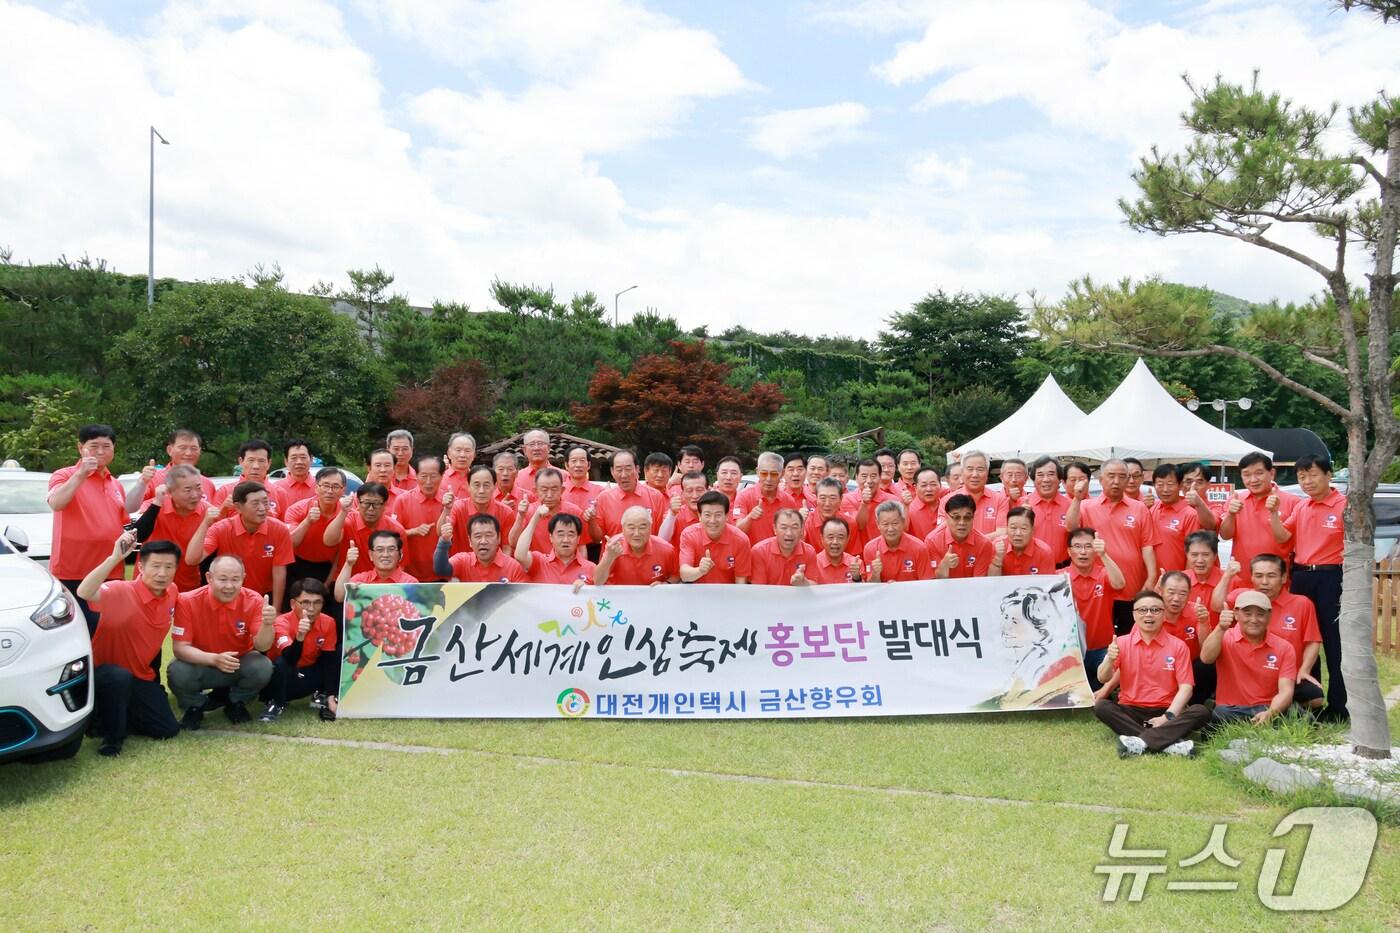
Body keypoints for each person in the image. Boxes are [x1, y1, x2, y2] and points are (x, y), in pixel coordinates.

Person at [79, 534, 183, 756]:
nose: (162, 573)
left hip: (140, 676)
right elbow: (84, 592)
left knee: (167, 729)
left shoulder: (172, 591)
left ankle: (105, 717)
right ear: (141, 567)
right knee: (118, 678)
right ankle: (112, 738)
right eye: (155, 566)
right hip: (104, 676)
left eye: (169, 567)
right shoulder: (120, 590)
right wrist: (114, 558)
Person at [1094, 590, 1210, 758]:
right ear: (1134, 615)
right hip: (1131, 709)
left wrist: (1167, 717)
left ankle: (1141, 742)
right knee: (1102, 707)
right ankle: (1170, 744)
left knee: (1201, 711)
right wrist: (1109, 660)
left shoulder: (1178, 646)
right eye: (1142, 610)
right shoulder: (1121, 643)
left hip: (1166, 708)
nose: (1149, 614)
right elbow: (1102, 678)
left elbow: (1186, 688)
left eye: (1155, 610)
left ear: (1164, 615)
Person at [168, 555, 277, 729]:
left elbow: (263, 646)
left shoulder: (254, 600)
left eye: (235, 579)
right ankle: (195, 706)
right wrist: (214, 659)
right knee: (178, 670)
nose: (229, 586)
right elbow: (180, 648)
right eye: (223, 579)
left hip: (238, 662)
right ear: (209, 578)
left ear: (243, 578)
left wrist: (267, 624)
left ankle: (236, 702)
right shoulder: (187, 601)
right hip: (200, 663)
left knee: (262, 666)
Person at [1278, 452, 1346, 720]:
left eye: (1313, 474)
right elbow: (1282, 535)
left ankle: (1340, 707)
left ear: (1329, 475)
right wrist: (1273, 513)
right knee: (1303, 639)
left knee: (1334, 643)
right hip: (1302, 576)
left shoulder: (1345, 505)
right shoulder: (1301, 507)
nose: (1307, 481)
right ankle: (1311, 702)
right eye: (1302, 477)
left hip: (1332, 577)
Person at [1216, 554, 1325, 711]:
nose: (1264, 582)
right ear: (1251, 577)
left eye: (1271, 576)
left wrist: (1304, 670)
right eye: (1259, 576)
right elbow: (1217, 605)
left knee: (1316, 698)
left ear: (1283, 577)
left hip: (1285, 674)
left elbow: (1313, 640)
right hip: (1248, 675)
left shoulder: (1302, 604)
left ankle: (1281, 705)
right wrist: (1227, 576)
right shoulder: (1242, 597)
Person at [47, 424, 129, 632]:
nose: (100, 452)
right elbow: (56, 503)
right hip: (73, 570)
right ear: (80, 447)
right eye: (93, 446)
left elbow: (120, 520)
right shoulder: (64, 475)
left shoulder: (115, 483)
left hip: (110, 569)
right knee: (78, 628)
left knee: (110, 626)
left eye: (106, 446)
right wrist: (81, 474)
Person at [1067, 459, 1158, 636]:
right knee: (1099, 640)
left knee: (1127, 641)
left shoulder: (1139, 509)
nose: (1116, 481)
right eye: (1111, 476)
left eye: (1122, 477)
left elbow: (1147, 547)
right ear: (1101, 479)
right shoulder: (1086, 506)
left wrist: (1152, 577)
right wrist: (1077, 498)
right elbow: (1071, 528)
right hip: (1098, 592)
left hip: (1132, 589)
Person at [188, 480, 294, 608]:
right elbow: (192, 560)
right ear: (238, 507)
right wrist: (205, 524)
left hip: (264, 595)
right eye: (255, 503)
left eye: (265, 502)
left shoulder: (279, 529)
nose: (262, 508)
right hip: (229, 593)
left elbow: (279, 572)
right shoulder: (221, 528)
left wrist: (276, 608)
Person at [1200, 590, 1296, 724]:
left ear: (1270, 615)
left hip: (1267, 707)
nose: (1254, 620)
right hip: (1232, 710)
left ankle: (1262, 722)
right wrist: (1220, 628)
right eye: (1247, 613)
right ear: (1236, 614)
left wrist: (1270, 713)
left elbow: (1286, 691)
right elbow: (1206, 658)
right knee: (1220, 714)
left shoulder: (1284, 647)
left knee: (1300, 715)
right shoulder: (1225, 637)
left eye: (1260, 614)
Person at [258, 577, 340, 723]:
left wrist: (331, 696)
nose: (311, 608)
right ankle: (276, 703)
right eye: (305, 603)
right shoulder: (281, 622)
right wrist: (300, 637)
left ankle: (323, 695)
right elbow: (289, 659)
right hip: (281, 678)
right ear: (292, 604)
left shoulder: (328, 622)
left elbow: (329, 662)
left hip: (305, 675)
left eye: (317, 602)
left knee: (337, 654)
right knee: (282, 664)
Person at [1065, 527, 1126, 693]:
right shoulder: (1059, 578)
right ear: (1069, 552)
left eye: (1088, 546)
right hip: (1072, 650)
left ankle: (1103, 690)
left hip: (1101, 649)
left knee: (1098, 686)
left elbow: (1120, 584)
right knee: (1077, 695)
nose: (1083, 552)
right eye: (1077, 547)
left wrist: (1104, 555)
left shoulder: (1104, 574)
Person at [131, 464, 209, 593]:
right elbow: (138, 535)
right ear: (170, 491)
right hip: (150, 584)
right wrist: (157, 503)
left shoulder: (207, 512)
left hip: (188, 586)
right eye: (187, 490)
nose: (195, 495)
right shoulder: (154, 505)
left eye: (198, 488)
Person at [1218, 451, 1300, 570]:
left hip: (1277, 577)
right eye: (1246, 474)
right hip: (1242, 575)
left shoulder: (1292, 501)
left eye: (1259, 473)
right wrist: (1231, 514)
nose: (1253, 480)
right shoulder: (1235, 500)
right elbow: (1225, 535)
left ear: (1271, 473)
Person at [283, 467, 348, 593]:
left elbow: (341, 554)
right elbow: (289, 544)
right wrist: (307, 521)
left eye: (335, 486)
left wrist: (328, 582)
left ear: (343, 490)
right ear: (316, 488)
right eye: (325, 485)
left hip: (327, 567)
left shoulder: (346, 514)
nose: (330, 491)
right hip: (296, 564)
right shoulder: (297, 509)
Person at [324, 482, 406, 577]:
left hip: (381, 584)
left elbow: (401, 565)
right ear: (358, 503)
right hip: (349, 582)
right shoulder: (348, 521)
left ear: (385, 505)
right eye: (366, 503)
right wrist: (343, 512)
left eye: (376, 504)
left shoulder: (396, 530)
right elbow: (328, 541)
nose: (371, 509)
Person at [1158, 570, 1215, 705]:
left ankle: (1194, 704)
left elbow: (1206, 650)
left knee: (1207, 665)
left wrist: (1203, 622)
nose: (1176, 599)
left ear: (1190, 594)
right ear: (1161, 591)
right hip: (1160, 668)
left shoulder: (1197, 611)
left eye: (1183, 593)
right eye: (1171, 592)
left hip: (1189, 670)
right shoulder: (1150, 612)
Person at [390, 454, 447, 581]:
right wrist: (412, 531)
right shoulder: (402, 500)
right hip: (410, 575)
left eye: (433, 476)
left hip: (444, 574)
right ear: (416, 476)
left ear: (442, 476)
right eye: (423, 476)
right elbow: (391, 536)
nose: (428, 481)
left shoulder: (450, 501)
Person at [128, 428, 217, 508]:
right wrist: (142, 483)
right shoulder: (153, 479)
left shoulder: (207, 484)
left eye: (194, 448)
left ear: (200, 451)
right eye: (183, 448)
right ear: (170, 450)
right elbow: (131, 509)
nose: (188, 453)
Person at [678, 491, 752, 583]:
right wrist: (700, 571)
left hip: (729, 593)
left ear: (727, 516)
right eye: (707, 515)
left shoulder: (741, 540)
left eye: (718, 515)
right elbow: (684, 575)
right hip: (697, 592)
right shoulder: (689, 535)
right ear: (700, 516)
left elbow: (741, 580)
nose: (712, 521)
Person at [594, 506, 679, 585]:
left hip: (653, 597)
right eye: (631, 528)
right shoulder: (614, 546)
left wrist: (666, 584)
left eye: (642, 528)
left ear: (650, 528)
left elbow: (676, 575)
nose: (636, 533)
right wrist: (609, 557)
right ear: (623, 529)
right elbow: (598, 581)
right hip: (620, 598)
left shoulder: (665, 549)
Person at [507, 467, 583, 555]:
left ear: (562, 490)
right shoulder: (528, 511)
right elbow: (513, 543)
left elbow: (581, 547)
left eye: (554, 489)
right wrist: (520, 516)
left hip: (566, 566)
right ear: (535, 491)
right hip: (535, 565)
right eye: (544, 490)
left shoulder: (574, 512)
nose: (549, 495)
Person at [592, 450, 665, 539]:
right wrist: (591, 521)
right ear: (612, 471)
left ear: (637, 469)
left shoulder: (656, 496)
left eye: (628, 469)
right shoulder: (603, 498)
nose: (624, 475)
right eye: (619, 470)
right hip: (614, 552)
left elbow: (661, 536)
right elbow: (597, 538)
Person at [443, 465, 514, 555]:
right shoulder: (458, 507)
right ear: (468, 486)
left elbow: (506, 547)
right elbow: (442, 531)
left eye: (486, 485)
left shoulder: (506, 512)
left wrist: (503, 568)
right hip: (462, 565)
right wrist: (446, 509)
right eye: (476, 485)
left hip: (493, 565)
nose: (481, 491)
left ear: (495, 486)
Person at [435, 513, 528, 582]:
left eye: (489, 535)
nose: (483, 541)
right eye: (478, 536)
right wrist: (444, 541)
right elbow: (441, 570)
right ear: (470, 541)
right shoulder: (463, 560)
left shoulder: (514, 567)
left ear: (499, 538)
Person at [735, 451, 801, 546]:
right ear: (757, 472)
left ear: (782, 474)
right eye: (764, 473)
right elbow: (737, 532)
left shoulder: (788, 501)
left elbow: (794, 535)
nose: (768, 479)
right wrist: (750, 517)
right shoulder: (744, 496)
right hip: (752, 557)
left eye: (774, 474)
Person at [1149, 463, 1205, 574]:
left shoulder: (1190, 514)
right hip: (1151, 579)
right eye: (1160, 484)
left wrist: (1186, 579)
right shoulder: (1152, 509)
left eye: (1170, 484)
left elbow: (1192, 551)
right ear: (1154, 485)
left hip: (1175, 581)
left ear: (1180, 485)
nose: (1165, 489)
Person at [513, 511, 596, 586]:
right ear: (551, 537)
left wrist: (586, 590)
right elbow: (520, 555)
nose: (565, 540)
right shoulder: (539, 561)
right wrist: (535, 520)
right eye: (560, 534)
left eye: (571, 535)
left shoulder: (591, 568)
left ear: (578, 539)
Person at [335, 529, 419, 602]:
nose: (385, 554)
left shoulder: (410, 583)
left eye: (391, 549)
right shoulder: (361, 580)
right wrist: (348, 564)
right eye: (380, 550)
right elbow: (339, 597)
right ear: (371, 555)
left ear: (400, 554)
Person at [926, 493, 995, 579]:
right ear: (946, 518)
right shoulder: (932, 541)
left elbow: (979, 582)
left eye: (967, 518)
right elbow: (932, 582)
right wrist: (944, 565)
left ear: (973, 518)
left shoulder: (984, 544)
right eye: (956, 517)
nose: (962, 523)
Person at [940, 450, 1005, 536]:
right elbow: (943, 533)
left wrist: (976, 545)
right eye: (970, 469)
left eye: (980, 469)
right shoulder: (947, 500)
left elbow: (1002, 532)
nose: (975, 474)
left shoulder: (1000, 499)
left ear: (987, 473)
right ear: (962, 472)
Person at [863, 501, 931, 583]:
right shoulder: (870, 549)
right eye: (885, 524)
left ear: (903, 522)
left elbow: (926, 583)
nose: (890, 529)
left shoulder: (919, 547)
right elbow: (871, 588)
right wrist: (875, 574)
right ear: (878, 524)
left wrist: (899, 588)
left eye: (895, 523)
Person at [211, 440, 281, 518]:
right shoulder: (224, 492)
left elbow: (286, 527)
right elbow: (212, 526)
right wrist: (223, 509)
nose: (256, 466)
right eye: (251, 460)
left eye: (261, 461)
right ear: (241, 461)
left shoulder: (280, 493)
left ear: (269, 463)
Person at [749, 508, 818, 586]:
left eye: (794, 527)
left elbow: (814, 585)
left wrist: (804, 583)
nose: (789, 533)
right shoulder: (759, 551)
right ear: (774, 529)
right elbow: (759, 590)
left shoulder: (809, 551)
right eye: (784, 527)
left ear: (802, 530)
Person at [1026, 456, 1071, 566]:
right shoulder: (1023, 505)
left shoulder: (1070, 506)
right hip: (1030, 570)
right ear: (1034, 480)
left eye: (1051, 474)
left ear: (1059, 479)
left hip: (1062, 570)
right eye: (1040, 475)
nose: (1046, 479)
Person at [561, 446, 605, 558]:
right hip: (564, 547)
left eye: (582, 461)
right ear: (566, 465)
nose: (578, 465)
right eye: (574, 461)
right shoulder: (559, 491)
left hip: (593, 548)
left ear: (589, 465)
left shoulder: (600, 492)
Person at [841, 458, 895, 551]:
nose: (869, 481)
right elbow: (859, 526)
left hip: (884, 553)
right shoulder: (846, 499)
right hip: (857, 557)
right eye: (864, 476)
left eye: (873, 476)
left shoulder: (892, 501)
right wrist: (864, 503)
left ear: (880, 477)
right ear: (857, 477)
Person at [989, 507, 1055, 576]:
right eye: (1013, 528)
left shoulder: (1044, 552)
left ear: (1033, 530)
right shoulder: (997, 546)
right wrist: (997, 560)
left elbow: (1047, 584)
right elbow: (992, 582)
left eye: (1023, 528)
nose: (1018, 533)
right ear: (1007, 528)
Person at [803, 477, 857, 554]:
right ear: (816, 498)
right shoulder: (807, 522)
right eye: (822, 498)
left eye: (832, 498)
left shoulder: (850, 523)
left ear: (841, 499)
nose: (827, 503)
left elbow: (852, 556)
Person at [658, 470, 709, 546]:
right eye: (689, 491)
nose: (694, 496)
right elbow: (662, 540)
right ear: (682, 494)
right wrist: (672, 514)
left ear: (708, 491)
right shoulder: (675, 513)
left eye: (699, 490)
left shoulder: (716, 512)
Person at [1183, 530, 1223, 628]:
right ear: (1187, 555)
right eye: (1194, 555)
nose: (1200, 560)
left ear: (1215, 556)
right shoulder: (1179, 580)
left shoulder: (1231, 580)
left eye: (1206, 555)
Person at [807, 517, 863, 584]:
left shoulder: (857, 564)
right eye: (830, 537)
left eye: (840, 537)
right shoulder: (813, 564)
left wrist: (857, 578)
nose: (835, 542)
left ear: (847, 539)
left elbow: (864, 593)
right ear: (822, 538)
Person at [272, 439, 317, 510]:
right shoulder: (275, 488)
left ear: (311, 459)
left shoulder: (320, 486)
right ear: (286, 461)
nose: (299, 462)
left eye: (303, 457)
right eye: (294, 458)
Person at [514, 429, 555, 498]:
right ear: (524, 450)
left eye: (540, 443)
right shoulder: (516, 478)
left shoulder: (564, 476)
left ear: (548, 448)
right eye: (532, 444)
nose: (536, 448)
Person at [906, 467, 944, 540]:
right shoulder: (909, 510)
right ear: (915, 487)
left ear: (940, 485)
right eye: (924, 485)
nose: (929, 489)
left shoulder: (947, 507)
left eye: (933, 484)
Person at [440, 432, 477, 499]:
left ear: (474, 455)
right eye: (458, 450)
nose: (462, 455)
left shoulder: (479, 480)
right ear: (449, 453)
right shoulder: (439, 478)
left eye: (467, 451)